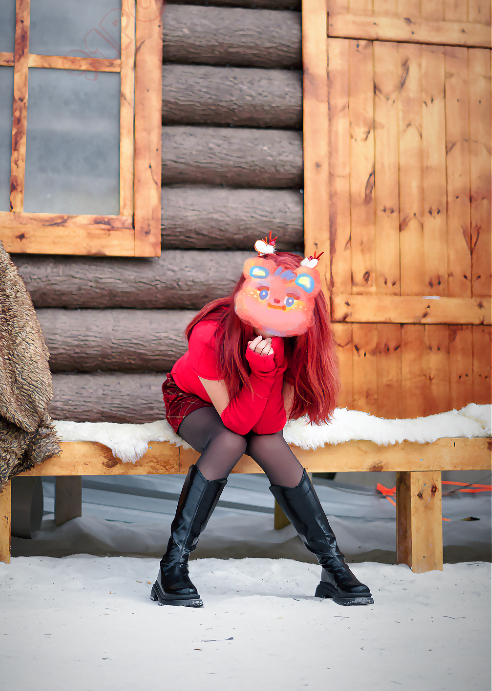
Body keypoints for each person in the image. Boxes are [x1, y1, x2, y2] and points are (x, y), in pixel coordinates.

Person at [151, 237, 373, 608]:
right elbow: (236, 424)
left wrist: (268, 368)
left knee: (267, 441)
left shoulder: (296, 339)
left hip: (253, 401)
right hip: (195, 399)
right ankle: (172, 566)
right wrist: (263, 372)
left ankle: (333, 567)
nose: (277, 306)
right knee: (230, 440)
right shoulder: (209, 334)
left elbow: (269, 427)